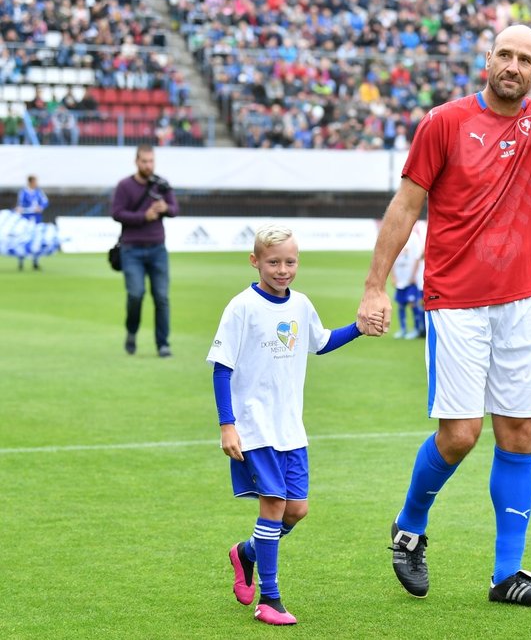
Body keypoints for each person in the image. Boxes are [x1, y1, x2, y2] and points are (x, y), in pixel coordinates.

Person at [355, 0, 531, 608]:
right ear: (487, 58)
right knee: (461, 435)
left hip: (524, 299)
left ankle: (508, 575)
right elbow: (405, 207)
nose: (513, 65)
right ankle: (410, 528)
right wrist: (374, 287)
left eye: (526, 59)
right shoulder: (444, 123)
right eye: (505, 53)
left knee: (520, 434)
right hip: (456, 302)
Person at [209, 224, 368, 626]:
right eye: (274, 261)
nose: (283, 270)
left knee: (296, 511)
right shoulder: (241, 307)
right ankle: (270, 599)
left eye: (290, 262)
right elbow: (221, 368)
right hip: (254, 427)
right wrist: (228, 425)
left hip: (291, 428)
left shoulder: (300, 305)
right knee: (274, 505)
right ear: (255, 261)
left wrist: (359, 329)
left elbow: (321, 341)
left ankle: (245, 553)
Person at [111, 144, 180, 357]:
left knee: (161, 297)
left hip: (157, 248)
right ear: (136, 161)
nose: (148, 165)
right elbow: (116, 213)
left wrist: (165, 209)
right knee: (135, 294)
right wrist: (144, 216)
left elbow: (175, 209)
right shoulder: (124, 186)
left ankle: (163, 344)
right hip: (132, 249)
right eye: (144, 161)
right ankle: (131, 331)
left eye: (151, 161)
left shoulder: (162, 184)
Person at [391, 232, 425, 339]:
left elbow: (417, 257)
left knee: (413, 304)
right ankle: (403, 329)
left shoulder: (413, 237)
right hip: (400, 279)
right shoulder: (394, 237)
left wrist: (414, 275)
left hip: (410, 279)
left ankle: (416, 328)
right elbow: (391, 258)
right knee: (401, 305)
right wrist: (393, 276)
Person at [15, 174, 48, 271]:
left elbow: (45, 202)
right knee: (23, 238)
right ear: (30, 182)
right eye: (35, 181)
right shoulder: (23, 192)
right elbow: (20, 204)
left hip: (36, 219)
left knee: (36, 239)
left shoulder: (39, 192)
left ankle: (35, 262)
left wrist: (41, 208)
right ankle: (21, 262)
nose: (36, 183)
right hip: (25, 219)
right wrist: (19, 209)